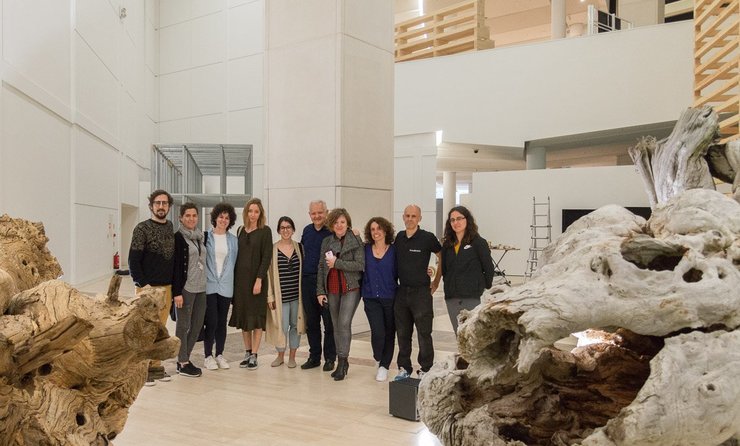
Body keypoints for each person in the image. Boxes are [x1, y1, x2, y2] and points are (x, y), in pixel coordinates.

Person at [129, 189, 176, 386]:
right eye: (158, 203)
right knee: (144, 330)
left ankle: (155, 367)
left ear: (169, 207)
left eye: (164, 203)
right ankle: (142, 371)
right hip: (147, 289)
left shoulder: (170, 226)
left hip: (166, 288)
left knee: (160, 330)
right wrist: (143, 285)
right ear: (151, 206)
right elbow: (133, 260)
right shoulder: (142, 229)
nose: (161, 206)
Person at [393, 204, 442, 381]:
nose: (410, 219)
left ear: (419, 218)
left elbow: (441, 255)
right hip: (401, 292)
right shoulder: (399, 237)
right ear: (403, 217)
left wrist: (436, 280)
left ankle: (426, 368)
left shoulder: (427, 238)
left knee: (424, 332)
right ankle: (404, 367)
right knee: (403, 333)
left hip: (421, 293)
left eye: (414, 216)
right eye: (407, 216)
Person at [316, 208, 365, 381]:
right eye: (336, 222)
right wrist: (320, 291)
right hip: (332, 288)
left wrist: (337, 263)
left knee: (344, 323)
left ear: (348, 223)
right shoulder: (327, 241)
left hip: (351, 287)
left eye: (342, 222)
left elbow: (360, 265)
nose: (339, 225)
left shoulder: (356, 239)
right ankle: (340, 360)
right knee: (336, 326)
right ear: (332, 224)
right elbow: (322, 267)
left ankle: (343, 361)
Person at [229, 198, 273, 370]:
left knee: (255, 319)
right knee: (244, 318)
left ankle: (255, 354)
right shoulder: (240, 230)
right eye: (250, 211)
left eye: (256, 211)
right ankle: (247, 352)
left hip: (256, 282)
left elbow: (266, 257)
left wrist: (259, 279)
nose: (253, 214)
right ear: (246, 212)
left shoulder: (265, 231)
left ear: (260, 213)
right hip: (240, 282)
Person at [441, 206, 495, 333]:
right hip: (452, 297)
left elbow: (488, 268)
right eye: (452, 220)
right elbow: (445, 269)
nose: (456, 222)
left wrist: (482, 288)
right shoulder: (447, 245)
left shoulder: (478, 242)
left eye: (459, 218)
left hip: (472, 297)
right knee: (459, 334)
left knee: (474, 335)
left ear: (467, 220)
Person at [299, 200, 336, 372]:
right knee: (312, 323)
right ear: (309, 214)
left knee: (329, 323)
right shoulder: (307, 231)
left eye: (320, 212)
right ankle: (314, 357)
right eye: (313, 213)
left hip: (326, 283)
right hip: (307, 282)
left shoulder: (332, 231)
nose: (317, 216)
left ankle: (330, 358)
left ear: (326, 212)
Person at [172, 203, 207, 378]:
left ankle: (185, 357)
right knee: (183, 325)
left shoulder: (200, 236)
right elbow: (176, 266)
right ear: (180, 218)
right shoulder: (178, 238)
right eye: (187, 215)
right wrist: (176, 292)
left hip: (201, 288)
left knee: (198, 325)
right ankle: (182, 362)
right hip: (185, 289)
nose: (191, 218)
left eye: (194, 215)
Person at [361, 217, 398, 382]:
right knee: (378, 332)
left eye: (379, 228)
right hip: (370, 298)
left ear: (385, 230)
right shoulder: (365, 249)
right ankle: (378, 357)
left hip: (390, 297)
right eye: (373, 229)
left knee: (390, 333)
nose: (376, 232)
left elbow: (405, 269)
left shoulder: (394, 251)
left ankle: (384, 365)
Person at [265, 216, 305, 368]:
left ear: (293, 230)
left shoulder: (299, 247)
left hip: (297, 296)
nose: (286, 230)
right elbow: (268, 275)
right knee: (281, 327)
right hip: (280, 298)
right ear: (278, 230)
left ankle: (292, 357)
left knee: (295, 326)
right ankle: (280, 356)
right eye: (282, 227)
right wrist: (270, 296)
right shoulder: (273, 249)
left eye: (288, 227)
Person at [203, 203, 238, 371]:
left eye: (227, 217)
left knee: (222, 322)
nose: (223, 220)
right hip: (209, 284)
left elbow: (235, 263)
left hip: (226, 286)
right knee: (211, 321)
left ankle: (220, 354)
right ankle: (208, 355)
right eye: (221, 217)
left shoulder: (233, 240)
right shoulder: (205, 237)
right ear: (215, 218)